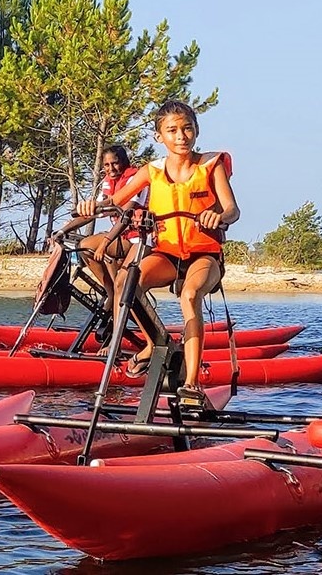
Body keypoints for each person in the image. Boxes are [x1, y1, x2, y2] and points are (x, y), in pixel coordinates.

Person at [76, 100, 240, 407]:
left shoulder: (211, 164)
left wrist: (218, 216)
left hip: (204, 256)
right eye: (172, 130)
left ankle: (191, 384)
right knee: (127, 282)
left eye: (187, 128)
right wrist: (91, 208)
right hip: (167, 255)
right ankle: (155, 344)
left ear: (196, 130)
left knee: (189, 295)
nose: (181, 136)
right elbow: (115, 202)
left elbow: (232, 208)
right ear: (158, 136)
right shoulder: (152, 171)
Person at [78, 145, 144, 323]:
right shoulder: (108, 183)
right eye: (106, 165)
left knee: (86, 245)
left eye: (114, 164)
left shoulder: (134, 180)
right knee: (83, 249)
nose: (111, 169)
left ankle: (113, 297)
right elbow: (93, 211)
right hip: (120, 238)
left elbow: (126, 215)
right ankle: (110, 292)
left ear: (123, 162)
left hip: (138, 240)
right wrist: (62, 230)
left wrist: (104, 244)